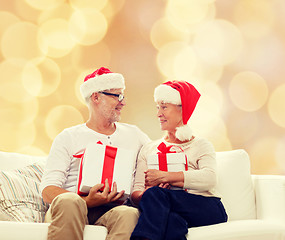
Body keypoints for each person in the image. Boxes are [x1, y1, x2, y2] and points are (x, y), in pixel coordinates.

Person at [39, 67, 150, 240]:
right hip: (71, 208)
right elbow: (48, 190)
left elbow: (155, 156)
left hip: (110, 211)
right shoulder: (68, 137)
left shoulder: (135, 135)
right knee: (70, 201)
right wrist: (86, 201)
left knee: (128, 214)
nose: (123, 102)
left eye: (123, 96)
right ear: (96, 97)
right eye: (117, 96)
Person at [130, 80, 228, 240]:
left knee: (157, 195)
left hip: (206, 207)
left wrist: (165, 177)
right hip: (165, 206)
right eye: (157, 107)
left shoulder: (201, 145)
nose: (158, 114)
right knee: (172, 222)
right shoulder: (149, 149)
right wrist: (145, 195)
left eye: (164, 107)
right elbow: (136, 192)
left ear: (183, 109)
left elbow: (210, 179)